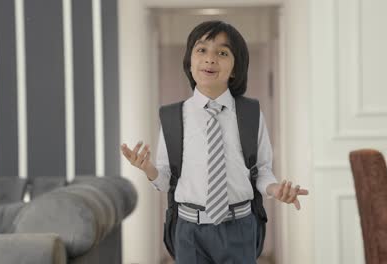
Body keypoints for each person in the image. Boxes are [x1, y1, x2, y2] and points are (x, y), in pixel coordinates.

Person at [121, 20, 309, 264]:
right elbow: (166, 180)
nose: (210, 58)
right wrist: (148, 169)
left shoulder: (251, 113)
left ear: (235, 68)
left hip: (240, 227)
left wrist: (276, 190)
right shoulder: (171, 117)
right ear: (190, 62)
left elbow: (262, 171)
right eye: (201, 50)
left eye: (222, 52)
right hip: (190, 231)